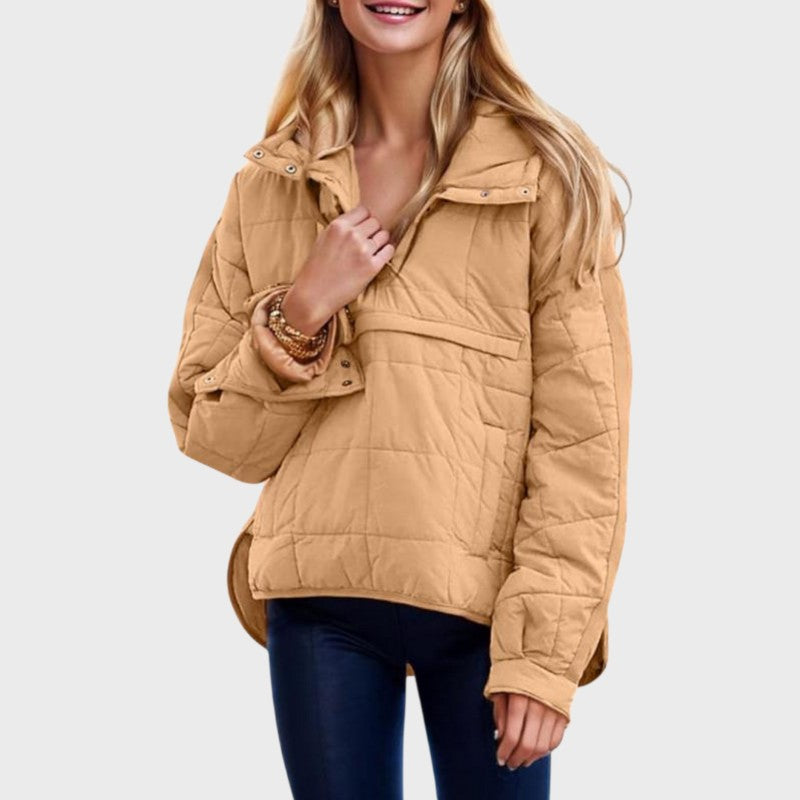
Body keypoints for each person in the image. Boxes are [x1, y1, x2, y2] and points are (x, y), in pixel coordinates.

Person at [167, 1, 633, 797]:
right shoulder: (270, 183)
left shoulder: (545, 173)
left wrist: (543, 654)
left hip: (487, 614)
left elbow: (583, 442)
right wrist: (301, 311)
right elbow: (218, 439)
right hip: (320, 601)